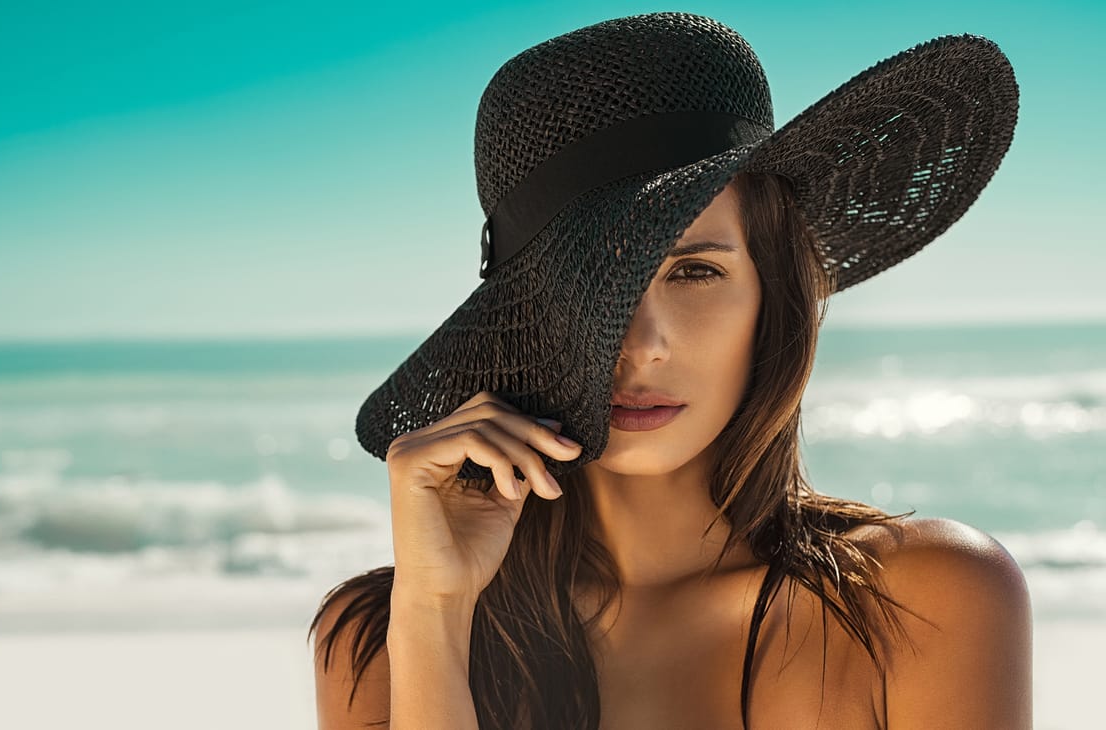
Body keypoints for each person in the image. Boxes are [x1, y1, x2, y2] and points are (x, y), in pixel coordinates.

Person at [311, 12, 1030, 729]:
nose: (642, 343)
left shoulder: (925, 598)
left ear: (771, 294)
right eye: (589, 281)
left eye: (694, 271)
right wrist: (435, 616)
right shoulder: (381, 639)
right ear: (526, 313)